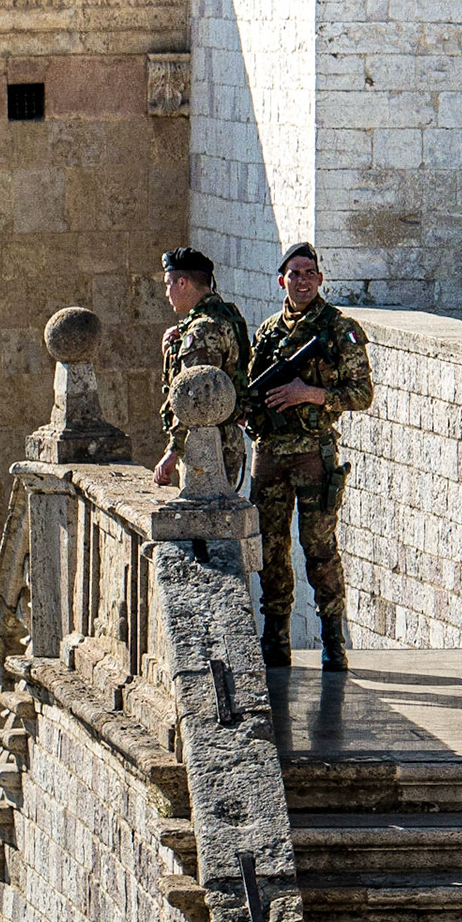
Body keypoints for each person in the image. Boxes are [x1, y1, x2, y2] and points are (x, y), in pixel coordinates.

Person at [244, 243, 374, 671]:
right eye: (294, 273)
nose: (302, 280)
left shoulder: (339, 329)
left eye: (309, 273)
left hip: (313, 454)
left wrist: (310, 394)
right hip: (270, 455)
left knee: (319, 548)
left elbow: (362, 394)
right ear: (282, 280)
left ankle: (333, 641)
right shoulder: (267, 333)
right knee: (271, 548)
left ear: (320, 280)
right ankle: (276, 638)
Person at [152, 247, 251, 491]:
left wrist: (173, 452)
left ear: (183, 283)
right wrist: (171, 352)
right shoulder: (224, 317)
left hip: (207, 444)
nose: (167, 293)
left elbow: (195, 398)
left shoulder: (201, 332)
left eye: (168, 284)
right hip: (224, 439)